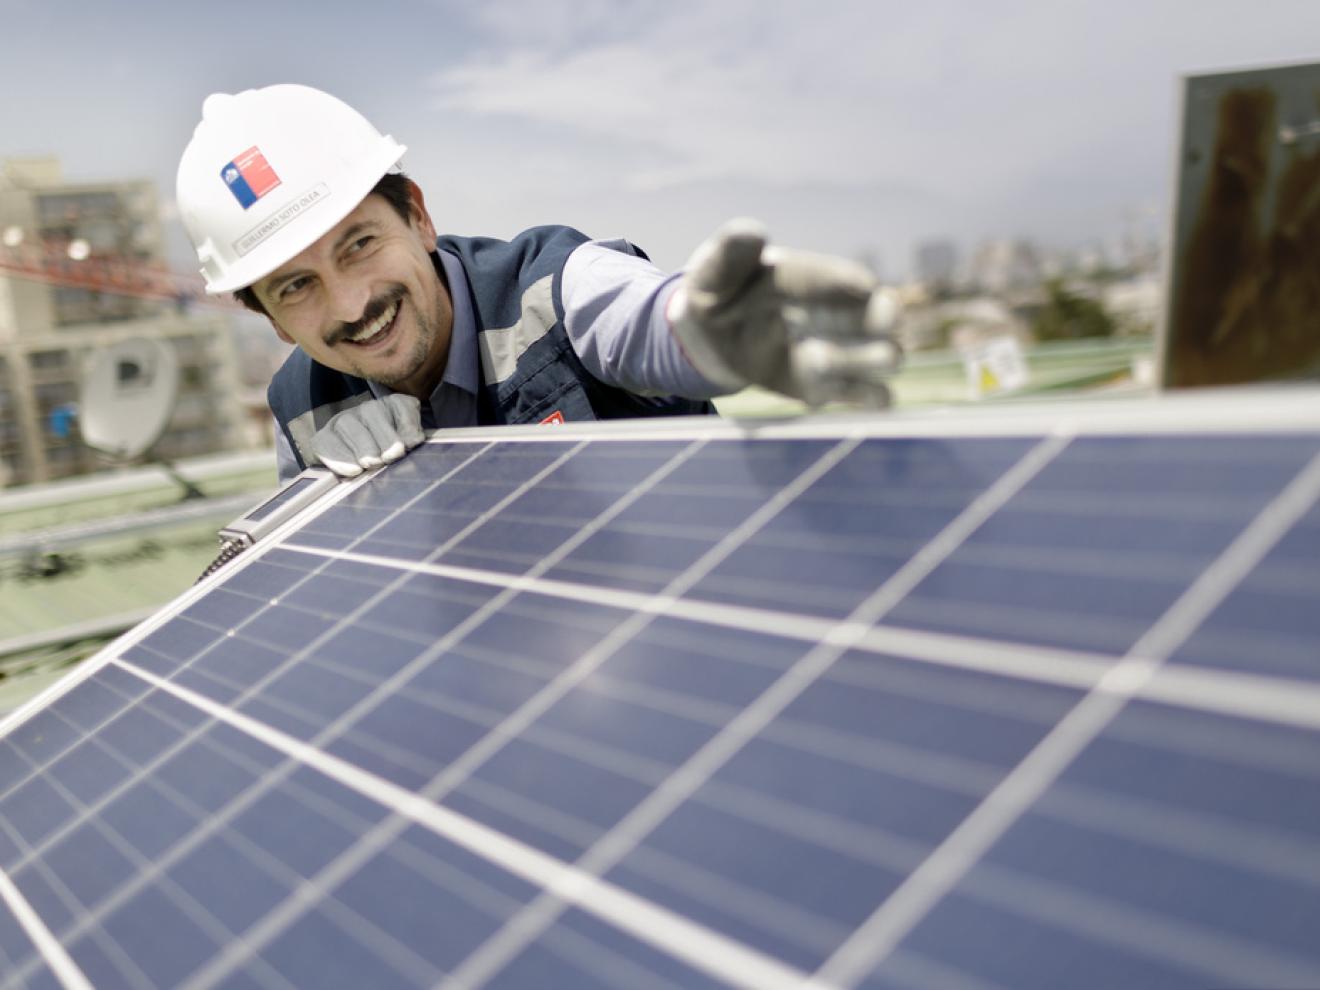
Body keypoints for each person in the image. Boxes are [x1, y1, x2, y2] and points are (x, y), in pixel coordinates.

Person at [175, 84, 890, 483]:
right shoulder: (301, 413)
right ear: (270, 319)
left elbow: (638, 318)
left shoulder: (556, 291)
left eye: (359, 244)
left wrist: (704, 338)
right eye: (295, 286)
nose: (351, 304)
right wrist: (338, 497)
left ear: (418, 217)